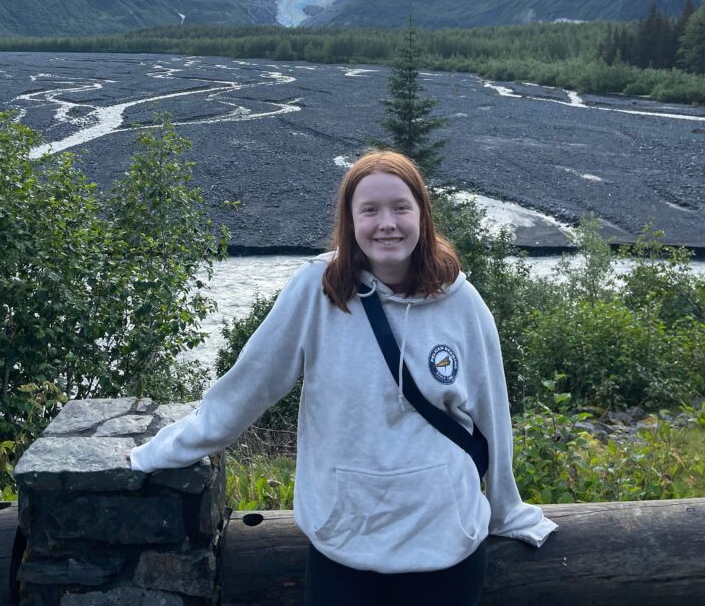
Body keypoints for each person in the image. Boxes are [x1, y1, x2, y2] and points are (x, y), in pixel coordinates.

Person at [127, 150, 556, 605]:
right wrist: (158, 451)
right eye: (369, 210)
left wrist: (505, 509)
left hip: (445, 545)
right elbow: (248, 387)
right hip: (344, 543)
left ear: (422, 216)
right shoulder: (316, 290)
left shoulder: (463, 303)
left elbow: (493, 414)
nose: (386, 223)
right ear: (350, 222)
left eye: (400, 207)